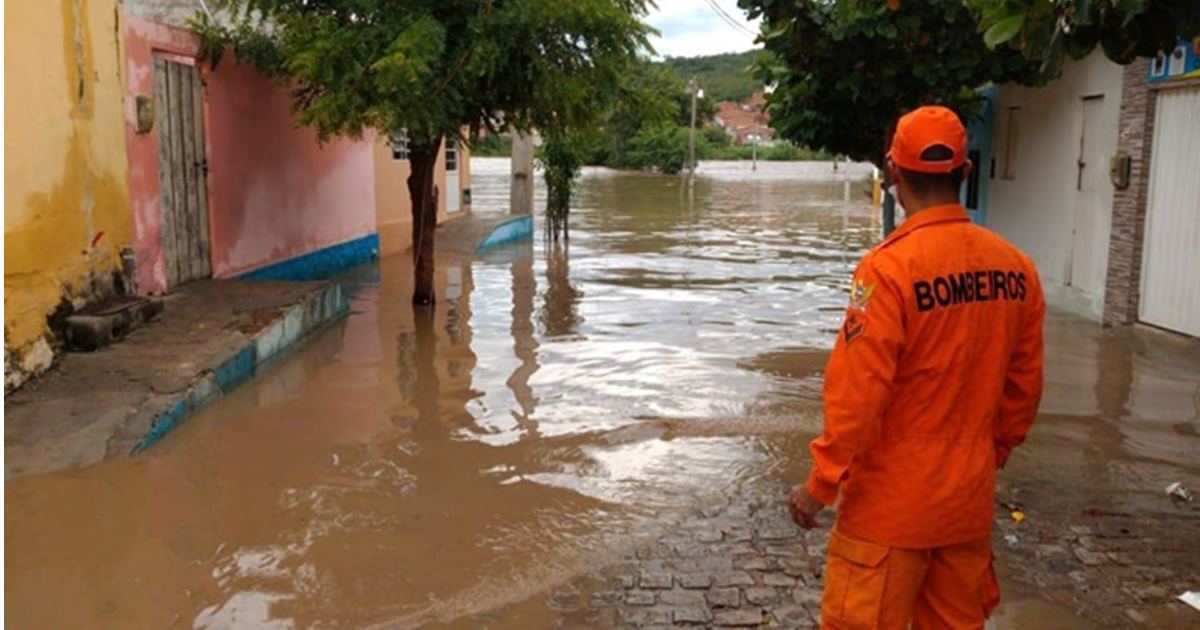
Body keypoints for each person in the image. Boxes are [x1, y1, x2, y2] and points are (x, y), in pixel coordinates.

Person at [789, 105, 1045, 629]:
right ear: (966, 172)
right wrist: (979, 459)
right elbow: (1022, 393)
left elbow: (858, 395)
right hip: (965, 508)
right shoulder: (1017, 270)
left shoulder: (887, 270)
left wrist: (819, 487)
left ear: (893, 174)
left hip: (887, 513)